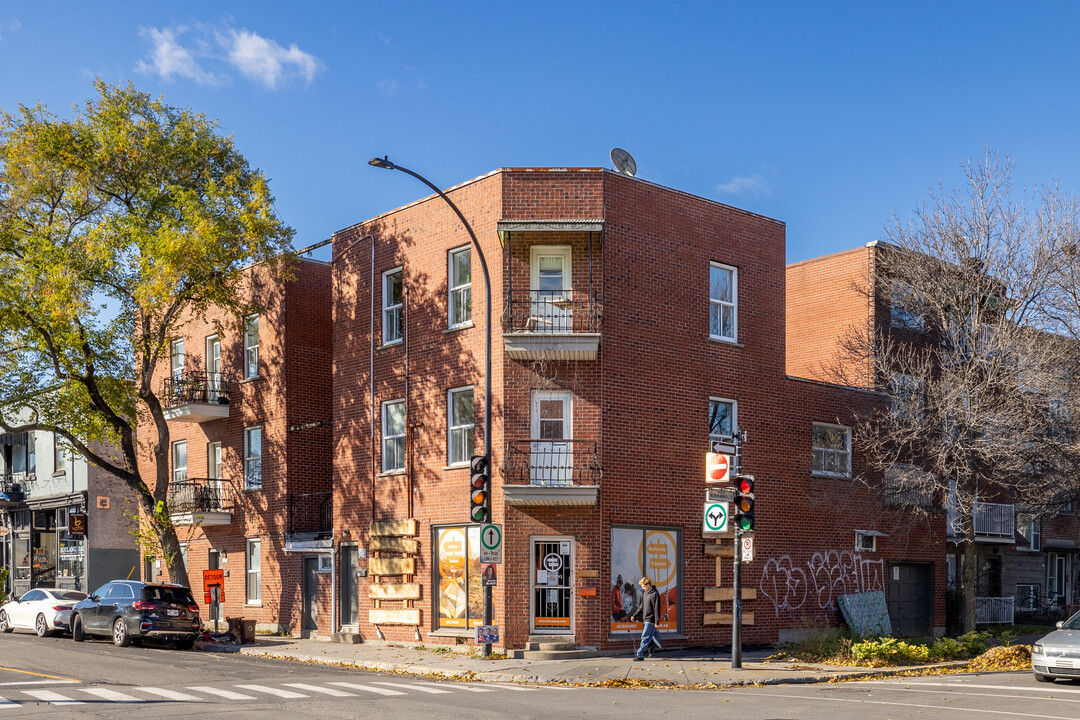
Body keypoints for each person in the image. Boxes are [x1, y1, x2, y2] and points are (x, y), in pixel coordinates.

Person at [633, 576, 662, 661]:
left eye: (643, 586)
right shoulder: (645, 594)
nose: (642, 588)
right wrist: (634, 615)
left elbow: (657, 609)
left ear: (648, 584)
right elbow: (641, 606)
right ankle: (655, 644)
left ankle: (640, 654)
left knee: (645, 637)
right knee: (650, 637)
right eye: (641, 586)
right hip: (645, 619)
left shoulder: (655, 594)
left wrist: (657, 622)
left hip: (650, 620)